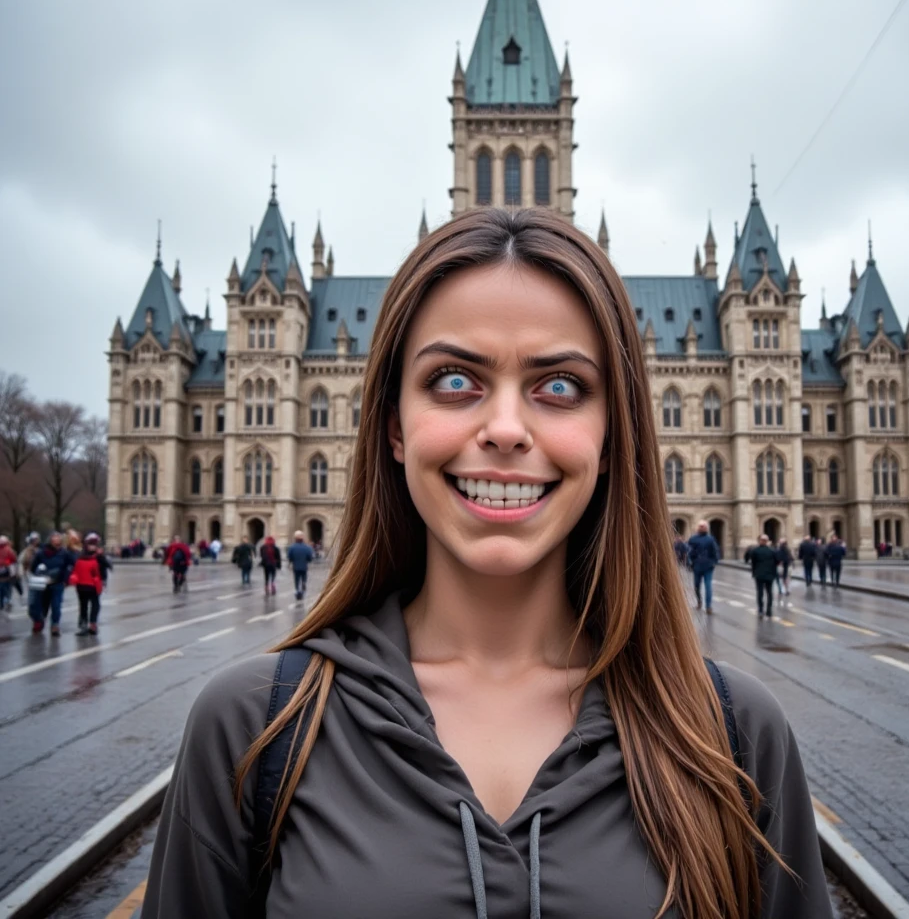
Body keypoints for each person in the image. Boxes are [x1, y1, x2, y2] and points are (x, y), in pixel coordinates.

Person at [143, 209, 831, 919]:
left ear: (615, 429)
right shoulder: (256, 728)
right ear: (391, 424)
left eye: (560, 385)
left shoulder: (735, 734)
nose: (505, 431)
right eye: (452, 380)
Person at [29, 531, 75, 635]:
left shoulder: (64, 553)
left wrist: (66, 578)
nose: (56, 540)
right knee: (41, 605)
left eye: (58, 538)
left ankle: (55, 625)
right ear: (50, 540)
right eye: (54, 538)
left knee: (56, 605)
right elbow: (33, 567)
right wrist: (40, 573)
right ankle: (39, 621)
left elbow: (72, 565)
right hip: (43, 584)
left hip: (58, 583)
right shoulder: (42, 553)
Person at [70, 533, 106, 635]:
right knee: (84, 605)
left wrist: (103, 580)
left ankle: (92, 623)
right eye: (91, 544)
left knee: (95, 605)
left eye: (94, 544)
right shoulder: (81, 556)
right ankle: (83, 625)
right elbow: (75, 568)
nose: (92, 546)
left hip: (94, 585)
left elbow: (104, 568)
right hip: (82, 584)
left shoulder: (98, 556)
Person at [686, 519, 720, 612]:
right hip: (697, 565)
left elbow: (715, 551)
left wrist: (714, 562)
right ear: (698, 528)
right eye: (701, 526)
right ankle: (699, 601)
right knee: (696, 585)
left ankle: (708, 606)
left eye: (704, 526)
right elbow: (689, 552)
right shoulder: (693, 539)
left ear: (707, 528)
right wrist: (690, 563)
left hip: (708, 566)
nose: (702, 528)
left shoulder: (710, 539)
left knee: (708, 586)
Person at [745, 534, 779, 618]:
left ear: (760, 541)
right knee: (769, 592)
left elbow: (750, 561)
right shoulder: (772, 551)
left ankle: (760, 610)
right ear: (767, 541)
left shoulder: (755, 551)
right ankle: (769, 610)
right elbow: (777, 561)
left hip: (759, 574)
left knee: (760, 593)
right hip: (770, 574)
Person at [287, 531, 315, 601]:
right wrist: (307, 560)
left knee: (296, 579)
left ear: (295, 538)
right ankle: (304, 583)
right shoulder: (307, 547)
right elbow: (310, 557)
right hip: (304, 566)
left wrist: (291, 561)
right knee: (303, 577)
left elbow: (290, 557)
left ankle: (297, 591)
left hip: (296, 566)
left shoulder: (292, 547)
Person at [17, 532, 40, 602]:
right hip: (28, 571)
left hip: (38, 571)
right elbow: (21, 561)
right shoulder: (27, 551)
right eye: (34, 540)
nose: (35, 541)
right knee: (31, 586)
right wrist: (20, 571)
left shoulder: (39, 549)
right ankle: (31, 599)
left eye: (36, 539)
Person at [0, 536, 17, 612]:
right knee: (8, 587)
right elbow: (14, 559)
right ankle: (7, 600)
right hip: (7, 570)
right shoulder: (9, 550)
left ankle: (1, 603)